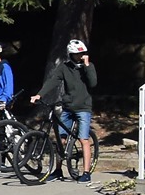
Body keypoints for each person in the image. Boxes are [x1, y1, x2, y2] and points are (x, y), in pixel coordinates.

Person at [31, 38, 98, 181]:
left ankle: (86, 173)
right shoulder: (64, 67)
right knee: (61, 140)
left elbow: (93, 83)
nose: (81, 56)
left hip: (83, 108)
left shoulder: (88, 66)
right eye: (78, 54)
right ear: (71, 55)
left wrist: (87, 65)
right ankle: (58, 170)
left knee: (83, 139)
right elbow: (53, 81)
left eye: (83, 53)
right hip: (67, 107)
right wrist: (39, 95)